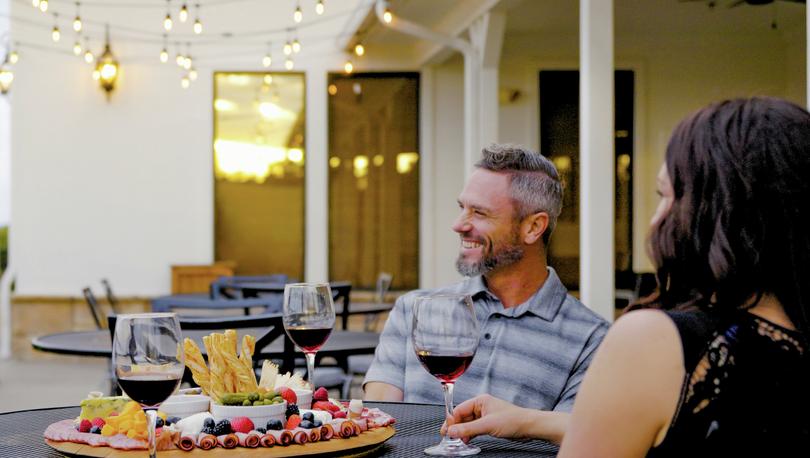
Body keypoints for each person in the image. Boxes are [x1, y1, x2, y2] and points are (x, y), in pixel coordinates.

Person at [443, 97, 810, 455]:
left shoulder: (654, 341)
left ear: (714, 214)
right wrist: (531, 421)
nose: (655, 219)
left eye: (664, 196)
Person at [363, 144, 609, 443]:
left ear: (533, 227)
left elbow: (583, 440)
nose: (458, 225)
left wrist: (529, 421)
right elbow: (375, 428)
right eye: (462, 208)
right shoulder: (412, 310)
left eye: (479, 212)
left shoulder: (593, 340)